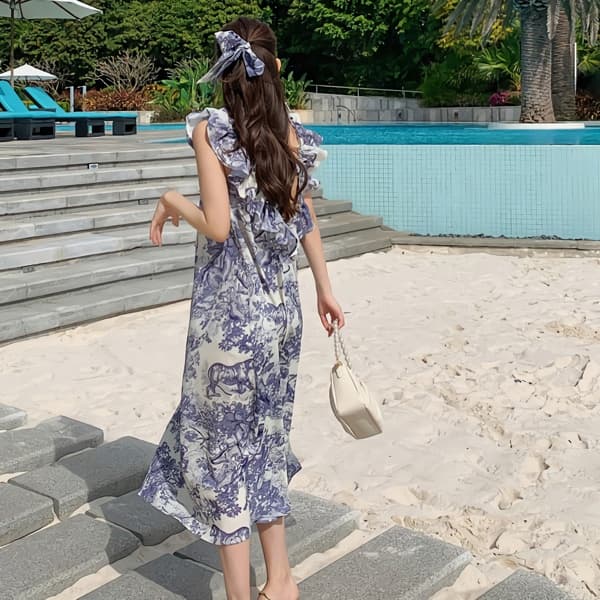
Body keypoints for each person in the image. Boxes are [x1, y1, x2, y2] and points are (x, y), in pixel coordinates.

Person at [137, 16, 345, 600]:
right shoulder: (292, 135)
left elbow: (219, 226)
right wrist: (325, 287)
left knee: (222, 454)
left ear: (225, 74)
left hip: (228, 324)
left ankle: (239, 594)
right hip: (282, 319)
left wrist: (172, 199)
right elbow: (304, 217)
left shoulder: (211, 131)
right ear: (274, 67)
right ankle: (281, 580)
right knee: (266, 440)